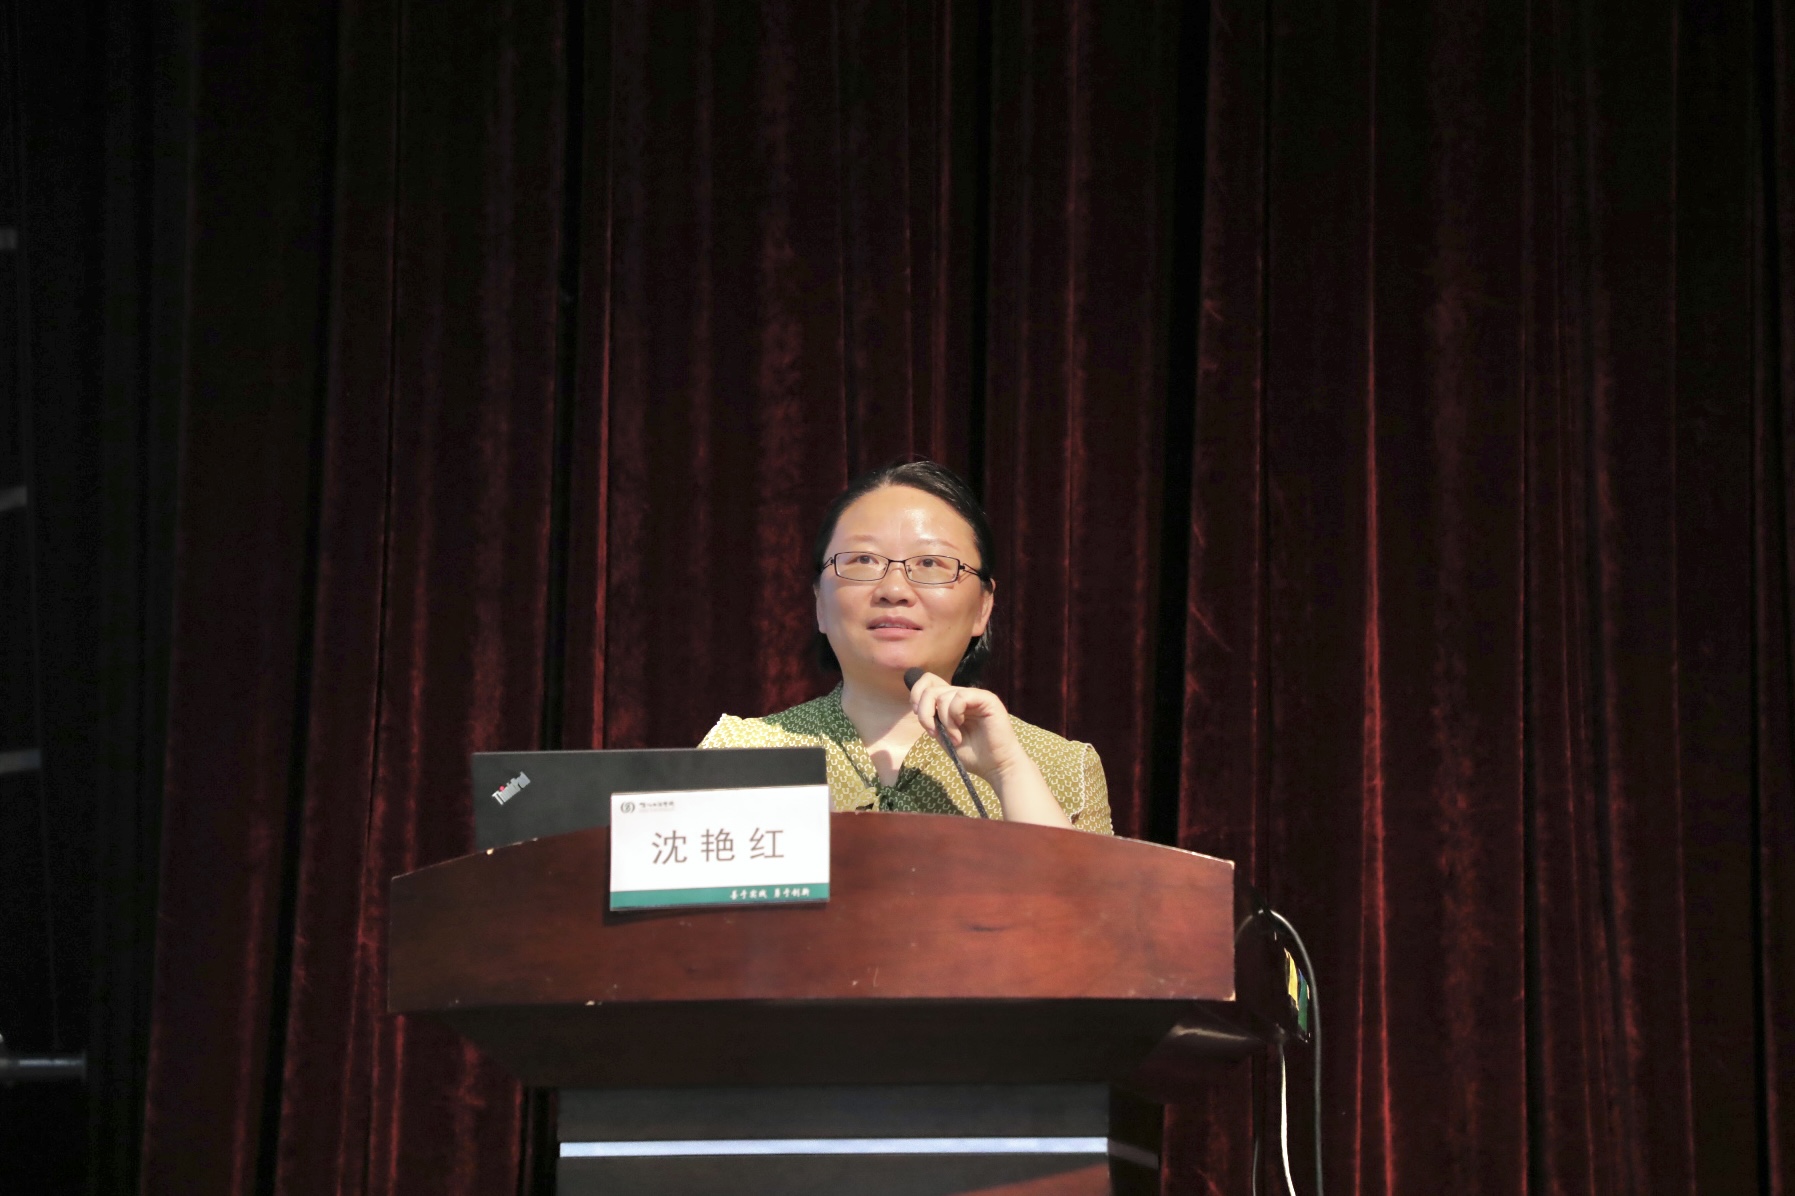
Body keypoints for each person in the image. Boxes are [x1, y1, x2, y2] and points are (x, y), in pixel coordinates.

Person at [699, 460, 1114, 834]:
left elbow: (1086, 898)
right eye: (862, 560)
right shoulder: (740, 753)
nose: (894, 589)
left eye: (931, 563)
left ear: (982, 608)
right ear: (820, 604)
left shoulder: (1061, 767)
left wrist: (1007, 770)